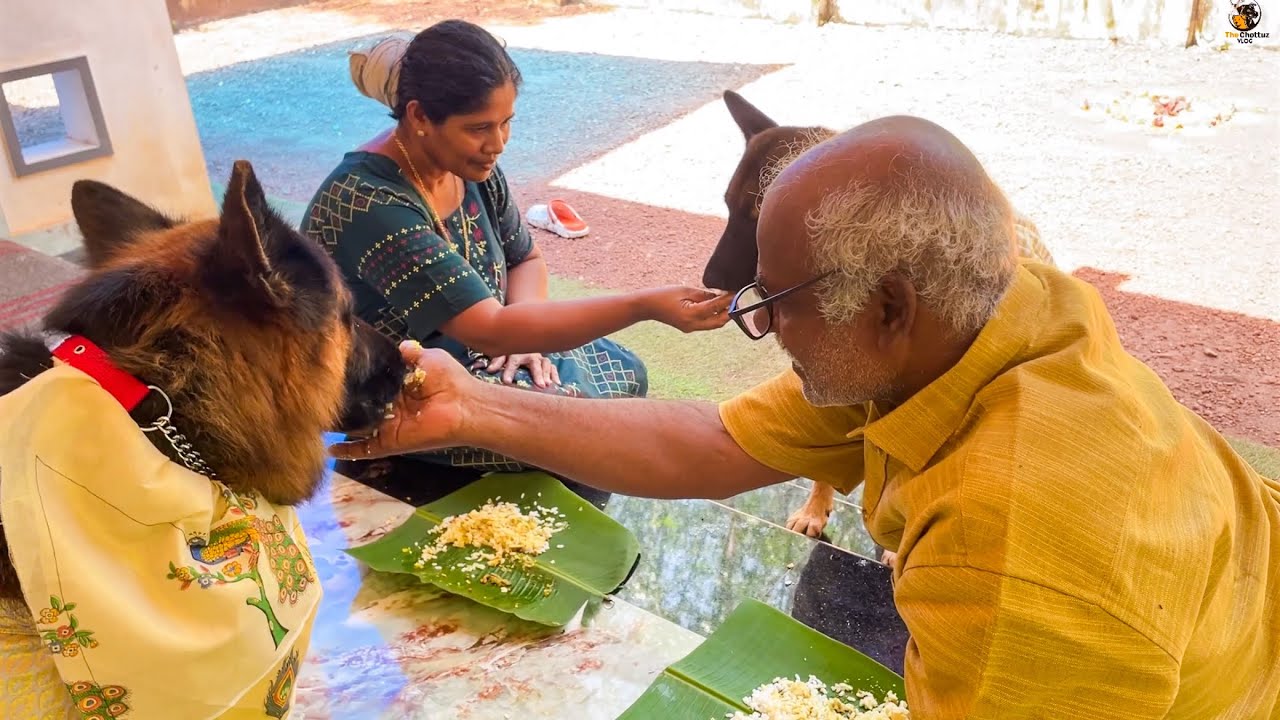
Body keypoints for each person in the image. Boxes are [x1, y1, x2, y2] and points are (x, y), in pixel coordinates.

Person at [332, 114, 1280, 718]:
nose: (764, 324)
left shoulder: (1011, 542)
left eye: (779, 299)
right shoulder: (977, 316)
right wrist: (474, 404)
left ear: (891, 305)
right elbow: (715, 441)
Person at [302, 20, 730, 474]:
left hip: (485, 344)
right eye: (480, 127)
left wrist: (525, 344)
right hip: (399, 385)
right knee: (571, 421)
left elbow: (525, 257)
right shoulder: (370, 202)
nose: (498, 144)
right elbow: (489, 327)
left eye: (506, 123)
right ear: (420, 116)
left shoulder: (464, 163)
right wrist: (645, 305)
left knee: (624, 373)